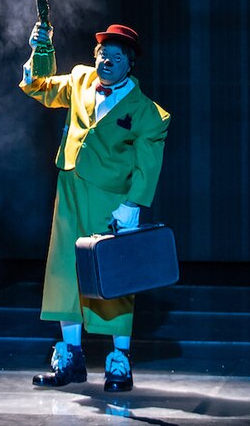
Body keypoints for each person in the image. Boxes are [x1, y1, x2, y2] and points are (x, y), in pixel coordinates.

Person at [19, 20, 171, 393]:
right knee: (65, 270)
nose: (107, 61)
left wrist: (133, 204)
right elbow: (39, 86)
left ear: (129, 63)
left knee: (112, 277)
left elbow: (147, 164)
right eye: (103, 54)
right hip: (70, 188)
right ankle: (70, 357)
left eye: (116, 57)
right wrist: (42, 48)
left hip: (110, 199)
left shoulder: (147, 112)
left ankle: (119, 362)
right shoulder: (80, 80)